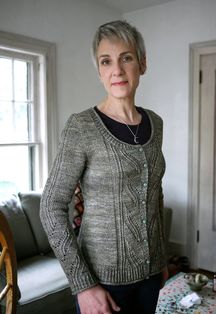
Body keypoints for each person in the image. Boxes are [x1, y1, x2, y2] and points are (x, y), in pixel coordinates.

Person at [40, 20, 168, 314]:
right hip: (104, 285)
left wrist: (161, 261)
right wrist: (83, 284)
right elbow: (51, 206)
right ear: (99, 72)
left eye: (127, 57)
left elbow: (154, 195)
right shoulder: (82, 127)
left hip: (151, 278)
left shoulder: (155, 123)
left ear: (142, 63)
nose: (117, 70)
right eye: (106, 61)